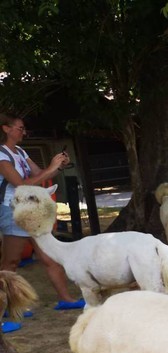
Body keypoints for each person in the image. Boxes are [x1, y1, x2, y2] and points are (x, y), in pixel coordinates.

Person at [0, 113, 85, 332]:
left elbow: (41, 175)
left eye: (23, 128)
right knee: (10, 263)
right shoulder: (1, 154)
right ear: (6, 128)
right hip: (13, 211)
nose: (23, 132)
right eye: (19, 128)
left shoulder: (20, 152)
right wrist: (49, 169)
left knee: (48, 254)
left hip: (33, 210)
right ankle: (9, 308)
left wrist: (58, 164)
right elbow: (21, 184)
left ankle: (65, 299)